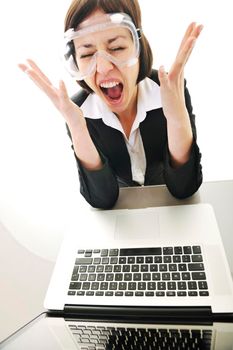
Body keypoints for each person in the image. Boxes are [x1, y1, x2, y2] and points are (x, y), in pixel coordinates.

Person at [19, 0, 203, 209]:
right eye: (87, 54)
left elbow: (184, 189)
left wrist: (177, 119)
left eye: (116, 47)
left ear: (138, 47)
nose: (104, 67)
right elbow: (102, 200)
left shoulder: (168, 90)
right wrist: (78, 128)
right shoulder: (78, 111)